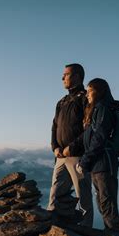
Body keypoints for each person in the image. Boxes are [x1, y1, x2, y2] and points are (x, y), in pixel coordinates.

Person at [48, 63, 93, 227]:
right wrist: (55, 147)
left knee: (83, 196)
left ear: (77, 76)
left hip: (78, 156)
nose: (62, 78)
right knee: (55, 193)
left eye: (66, 74)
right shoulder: (62, 101)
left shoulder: (85, 99)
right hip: (61, 156)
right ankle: (53, 226)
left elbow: (88, 128)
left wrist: (71, 148)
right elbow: (54, 126)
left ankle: (86, 229)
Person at [76, 78, 119, 230]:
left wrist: (84, 161)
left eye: (90, 90)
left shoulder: (102, 108)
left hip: (104, 163)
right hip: (97, 165)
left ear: (99, 92)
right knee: (103, 203)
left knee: (106, 203)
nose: (87, 94)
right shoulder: (96, 109)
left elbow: (99, 137)